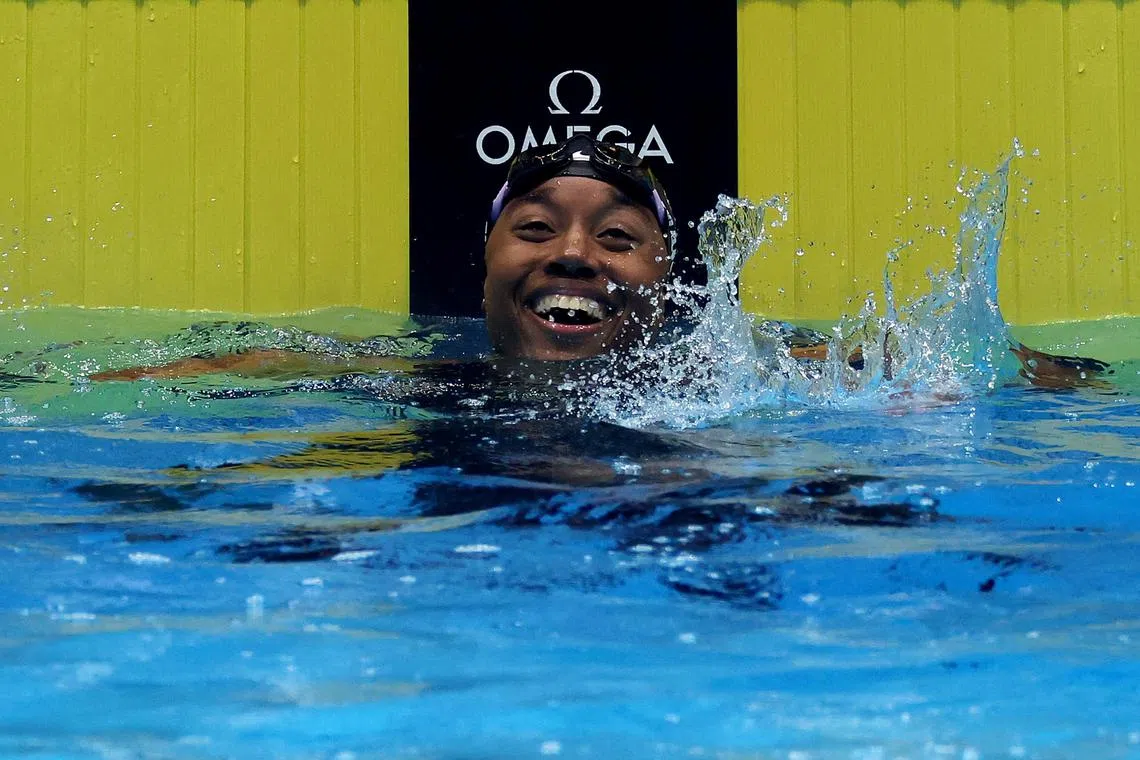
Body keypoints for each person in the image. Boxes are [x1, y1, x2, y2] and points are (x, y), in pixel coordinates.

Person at [89, 135, 1108, 388]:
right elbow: (269, 361)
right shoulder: (428, 375)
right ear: (484, 263)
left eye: (617, 238)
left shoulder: (728, 376)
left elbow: (945, 362)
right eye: (534, 229)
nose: (573, 255)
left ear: (670, 281)